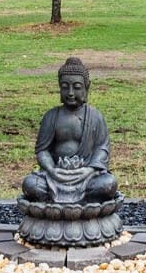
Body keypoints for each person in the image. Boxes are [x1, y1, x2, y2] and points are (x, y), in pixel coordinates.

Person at [21, 56, 118, 204]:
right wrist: (51, 169)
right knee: (31, 185)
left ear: (86, 87)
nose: (70, 92)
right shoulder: (51, 116)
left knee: (107, 184)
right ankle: (82, 206)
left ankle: (57, 206)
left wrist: (89, 170)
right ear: (60, 87)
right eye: (65, 87)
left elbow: (102, 148)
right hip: (56, 175)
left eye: (77, 87)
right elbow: (42, 150)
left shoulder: (95, 116)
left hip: (86, 176)